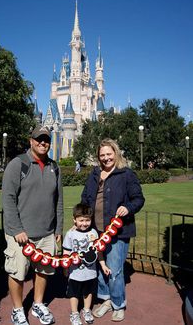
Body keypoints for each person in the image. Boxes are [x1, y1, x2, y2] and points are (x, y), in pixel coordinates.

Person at [2, 126, 63, 325]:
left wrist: (58, 229)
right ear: (31, 141)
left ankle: (37, 304)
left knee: (43, 271)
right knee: (17, 273)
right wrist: (17, 229)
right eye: (39, 139)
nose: (43, 143)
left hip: (46, 233)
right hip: (21, 235)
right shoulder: (18, 164)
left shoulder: (55, 166)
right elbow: (8, 199)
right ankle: (18, 310)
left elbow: (59, 201)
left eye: (46, 139)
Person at [81, 138, 145, 322]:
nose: (106, 158)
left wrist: (128, 208)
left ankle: (118, 304)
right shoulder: (94, 175)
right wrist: (81, 219)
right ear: (98, 157)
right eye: (102, 155)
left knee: (115, 270)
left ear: (115, 153)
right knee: (100, 268)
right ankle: (105, 300)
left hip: (118, 231)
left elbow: (138, 199)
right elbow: (85, 198)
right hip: (96, 231)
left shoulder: (126, 174)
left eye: (109, 154)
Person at [63, 203, 111, 325]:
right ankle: (74, 313)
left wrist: (103, 265)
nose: (84, 223)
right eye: (81, 220)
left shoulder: (94, 233)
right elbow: (66, 252)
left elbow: (98, 251)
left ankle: (86, 310)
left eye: (87, 220)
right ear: (74, 220)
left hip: (90, 272)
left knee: (88, 292)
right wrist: (65, 267)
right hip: (75, 272)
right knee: (74, 293)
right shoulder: (70, 234)